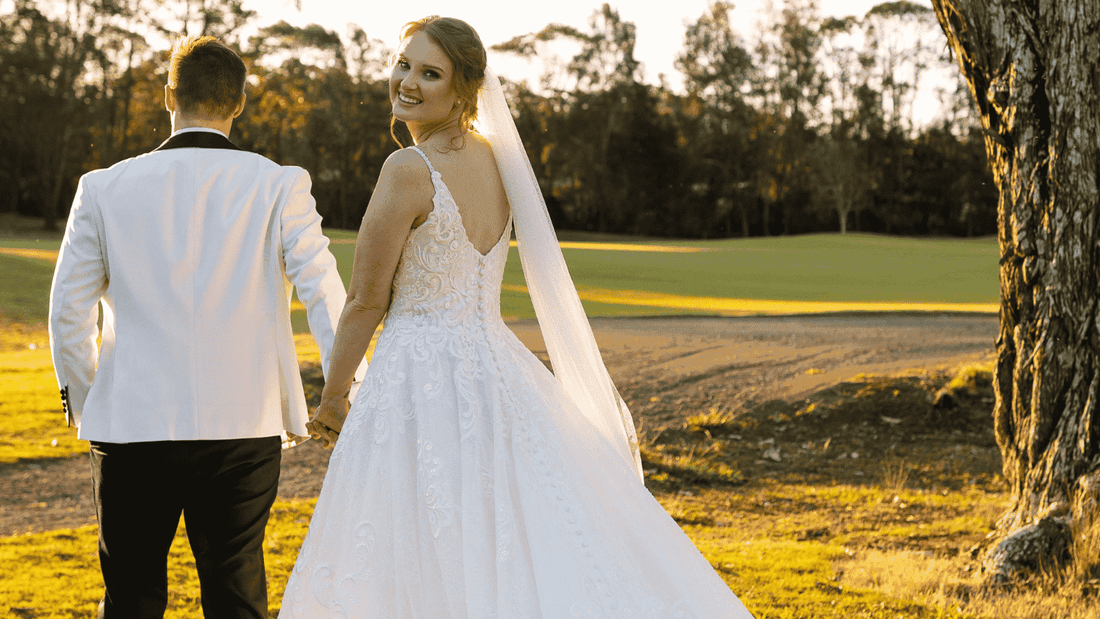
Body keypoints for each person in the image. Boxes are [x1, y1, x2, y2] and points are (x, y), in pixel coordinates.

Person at [279, 16, 756, 619]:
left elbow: (366, 300)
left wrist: (334, 396)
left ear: (465, 89)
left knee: (413, 536)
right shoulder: (499, 163)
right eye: (404, 64)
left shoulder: (408, 170)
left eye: (431, 73)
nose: (408, 82)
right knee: (508, 526)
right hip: (494, 370)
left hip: (414, 377)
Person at [48, 35, 358, 619]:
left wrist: (93, 403)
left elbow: (68, 312)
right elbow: (324, 290)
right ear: (239, 104)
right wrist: (345, 388)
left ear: (168, 95)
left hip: (131, 428)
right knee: (236, 594)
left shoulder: (103, 187)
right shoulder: (279, 183)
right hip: (243, 424)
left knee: (132, 597)